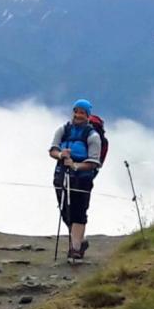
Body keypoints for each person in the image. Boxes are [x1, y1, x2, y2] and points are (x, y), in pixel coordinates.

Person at [49, 99, 102, 262]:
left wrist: (75, 166)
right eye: (76, 111)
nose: (78, 115)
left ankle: (76, 249)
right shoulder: (63, 130)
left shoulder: (93, 136)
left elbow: (94, 161)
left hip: (82, 179)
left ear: (87, 115)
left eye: (82, 112)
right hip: (61, 175)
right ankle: (80, 241)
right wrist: (60, 155)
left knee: (79, 211)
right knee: (65, 210)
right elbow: (52, 149)